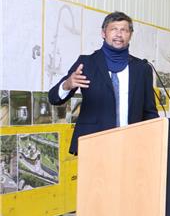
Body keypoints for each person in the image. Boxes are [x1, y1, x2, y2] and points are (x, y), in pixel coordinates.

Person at [47, 11, 159, 155]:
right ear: (103, 33)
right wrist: (67, 85)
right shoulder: (86, 63)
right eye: (114, 29)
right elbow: (53, 98)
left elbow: (150, 112)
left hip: (132, 146)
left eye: (124, 30)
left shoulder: (142, 68)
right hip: (93, 144)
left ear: (130, 35)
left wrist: (153, 143)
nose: (119, 34)